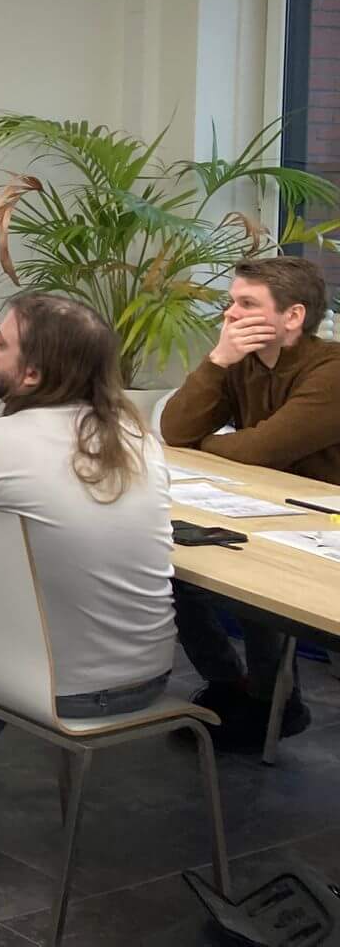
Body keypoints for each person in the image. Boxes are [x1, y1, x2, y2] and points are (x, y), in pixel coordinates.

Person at [0, 294, 173, 796]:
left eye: (2, 342)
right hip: (151, 677)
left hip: (51, 686)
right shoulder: (140, 441)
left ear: (31, 375)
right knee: (35, 594)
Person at [161, 255, 340, 746]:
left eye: (246, 304)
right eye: (231, 303)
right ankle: (230, 685)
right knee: (173, 571)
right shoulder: (241, 362)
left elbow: (262, 449)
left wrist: (208, 445)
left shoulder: (331, 370)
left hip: (321, 520)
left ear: (293, 316)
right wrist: (217, 361)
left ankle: (272, 702)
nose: (231, 315)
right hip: (265, 508)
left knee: (254, 586)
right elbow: (175, 430)